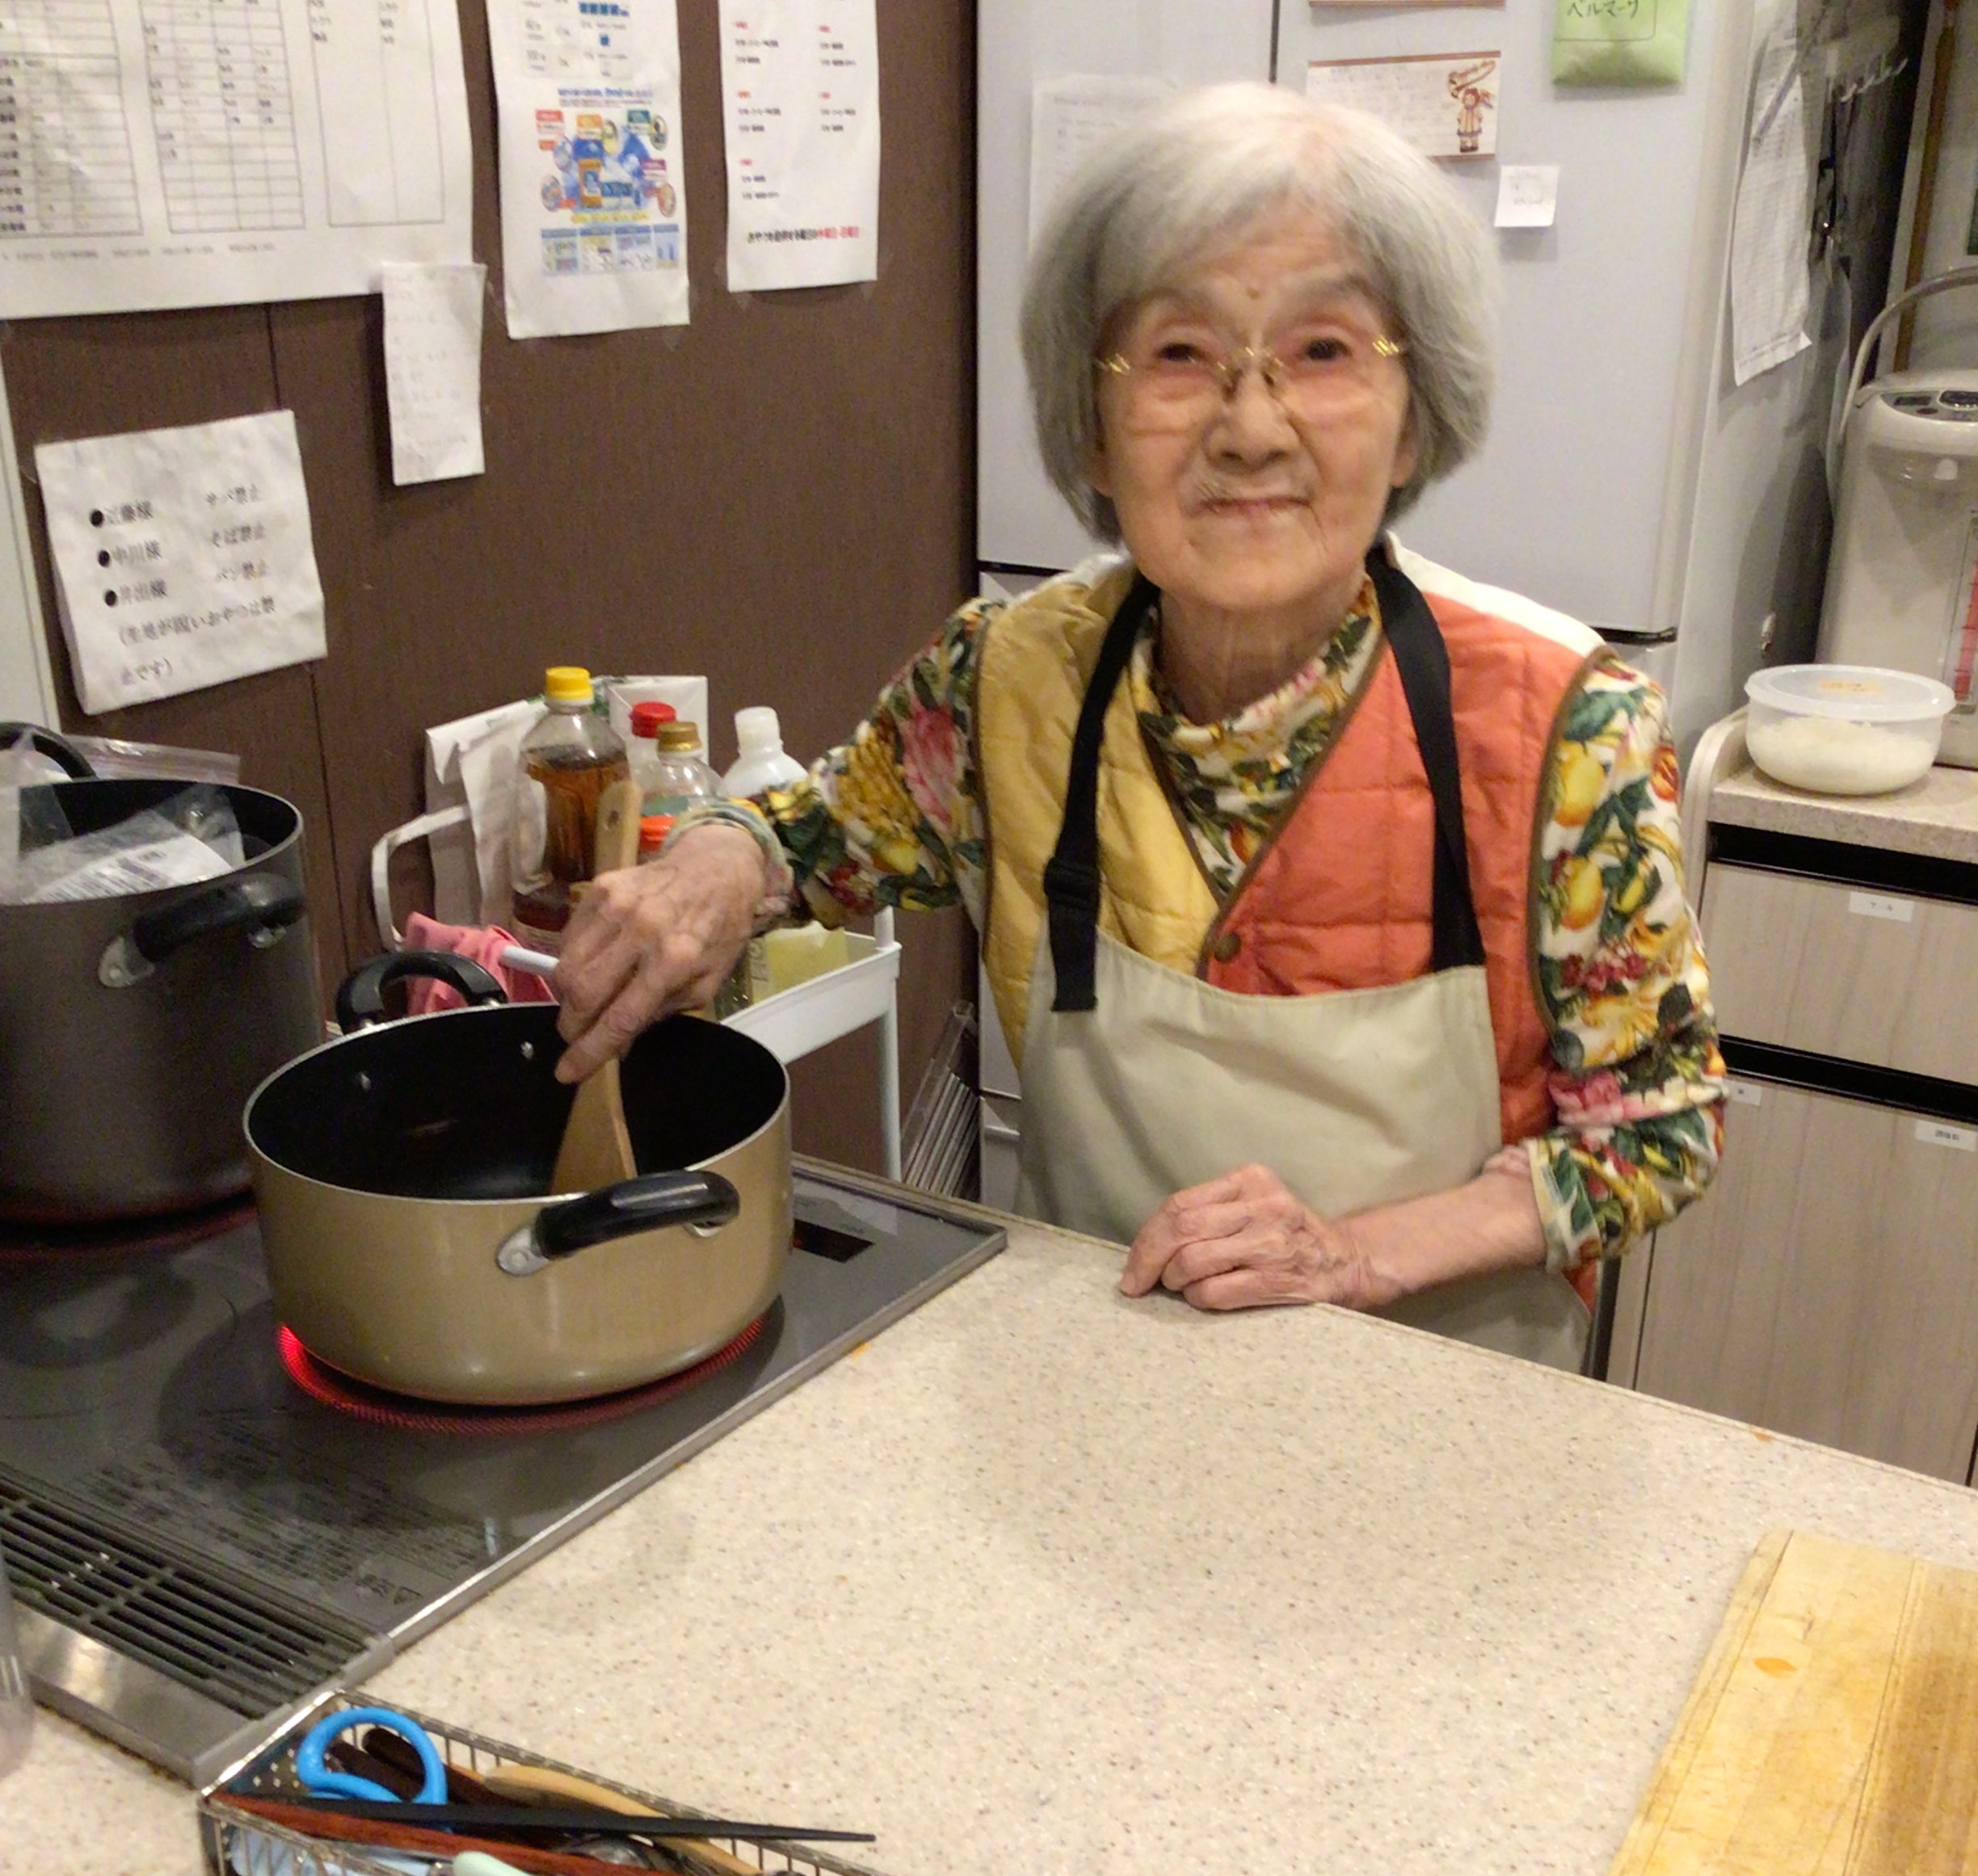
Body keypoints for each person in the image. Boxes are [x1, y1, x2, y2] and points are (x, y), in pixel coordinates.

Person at [553, 82, 1724, 1368]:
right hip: (1094, 1391)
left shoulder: (1565, 728)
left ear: (1412, 420)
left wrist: (1353, 1255)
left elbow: (1657, 1131)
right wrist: (719, 862)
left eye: (1323, 351)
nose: (1251, 429)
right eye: (1177, 355)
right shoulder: (1003, 681)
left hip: (1440, 1408)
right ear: (1095, 435)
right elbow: (811, 834)